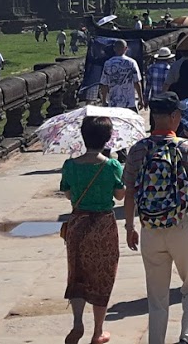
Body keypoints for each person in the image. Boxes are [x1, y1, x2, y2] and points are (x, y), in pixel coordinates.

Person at [122, 94, 188, 344]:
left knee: (156, 296)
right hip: (180, 225)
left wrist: (130, 226)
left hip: (150, 228)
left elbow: (130, 191)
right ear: (174, 117)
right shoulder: (186, 148)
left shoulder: (138, 149)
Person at [60, 116, 126, 344]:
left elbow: (68, 194)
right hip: (103, 225)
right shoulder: (112, 166)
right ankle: (98, 330)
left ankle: (78, 321)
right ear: (108, 139)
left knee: (77, 273)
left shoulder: (70, 165)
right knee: (103, 274)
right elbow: (119, 196)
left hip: (78, 223)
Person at [98, 39, 142, 110]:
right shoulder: (132, 63)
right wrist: (141, 99)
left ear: (114, 49)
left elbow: (104, 84)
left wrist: (104, 100)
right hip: (129, 102)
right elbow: (137, 82)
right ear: (126, 48)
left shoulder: (108, 63)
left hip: (113, 102)